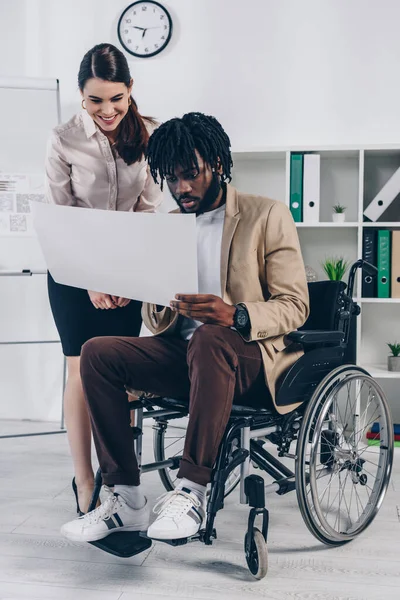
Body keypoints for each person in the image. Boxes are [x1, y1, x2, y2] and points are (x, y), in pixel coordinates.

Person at [60, 112, 309, 543]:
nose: (182, 189)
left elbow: (295, 305)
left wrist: (235, 314)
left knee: (212, 337)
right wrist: (149, 294)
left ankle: (191, 488)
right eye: (171, 179)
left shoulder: (264, 214)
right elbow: (157, 322)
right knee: (97, 351)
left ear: (215, 161)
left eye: (191, 175)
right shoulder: (168, 226)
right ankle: (126, 499)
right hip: (188, 359)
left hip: (247, 359)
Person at [45, 43, 163, 514]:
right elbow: (60, 218)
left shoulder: (151, 135)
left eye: (116, 97)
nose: (108, 110)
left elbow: (148, 213)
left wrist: (120, 277)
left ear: (130, 89)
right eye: (95, 100)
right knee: (78, 371)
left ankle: (121, 478)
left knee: (119, 375)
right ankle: (85, 480)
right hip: (72, 273)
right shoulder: (62, 139)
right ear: (81, 96)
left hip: (127, 272)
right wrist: (91, 279)